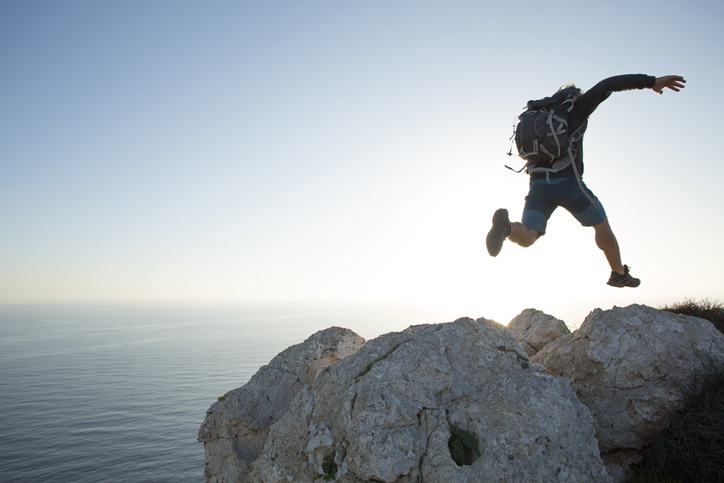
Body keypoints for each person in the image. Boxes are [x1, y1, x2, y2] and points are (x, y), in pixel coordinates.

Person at [486, 74, 686, 287]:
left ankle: (506, 229)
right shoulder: (575, 107)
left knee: (529, 234)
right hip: (568, 184)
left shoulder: (538, 114)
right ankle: (619, 273)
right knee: (601, 224)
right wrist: (651, 82)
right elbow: (607, 85)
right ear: (573, 95)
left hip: (538, 185)